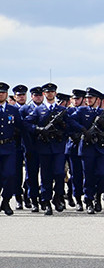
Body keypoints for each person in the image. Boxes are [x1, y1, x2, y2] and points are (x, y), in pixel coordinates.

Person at [24, 82, 69, 215]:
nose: (49, 94)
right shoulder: (38, 110)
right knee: (46, 176)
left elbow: (70, 126)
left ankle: (58, 197)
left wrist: (65, 130)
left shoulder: (61, 110)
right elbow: (26, 123)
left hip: (59, 147)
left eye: (52, 92)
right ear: (44, 94)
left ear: (55, 93)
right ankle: (46, 201)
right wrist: (38, 129)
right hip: (44, 148)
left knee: (60, 174)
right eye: (47, 92)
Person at [72, 87, 104, 214]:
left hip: (100, 148)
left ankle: (98, 196)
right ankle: (88, 200)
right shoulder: (81, 111)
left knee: (102, 174)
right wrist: (83, 129)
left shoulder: (103, 113)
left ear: (97, 100)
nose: (88, 100)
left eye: (91, 98)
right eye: (87, 98)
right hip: (87, 148)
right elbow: (70, 120)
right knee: (88, 176)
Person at [0, 82, 23, 215]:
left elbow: (21, 127)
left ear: (7, 94)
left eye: (3, 92)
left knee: (10, 175)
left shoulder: (13, 110)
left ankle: (6, 200)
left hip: (9, 147)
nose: (1, 94)